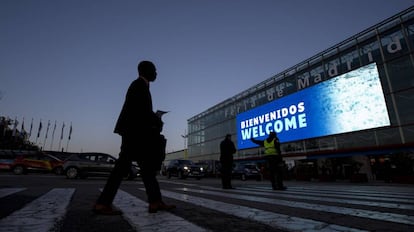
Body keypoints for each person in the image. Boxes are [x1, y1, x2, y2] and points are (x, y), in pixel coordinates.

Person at [93, 60, 175, 215]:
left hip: (137, 133)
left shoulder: (142, 86)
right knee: (123, 167)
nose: (156, 73)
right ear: (146, 71)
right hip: (134, 134)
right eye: (154, 70)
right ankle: (102, 204)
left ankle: (155, 202)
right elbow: (140, 111)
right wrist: (156, 119)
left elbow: (141, 111)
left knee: (146, 169)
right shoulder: (138, 86)